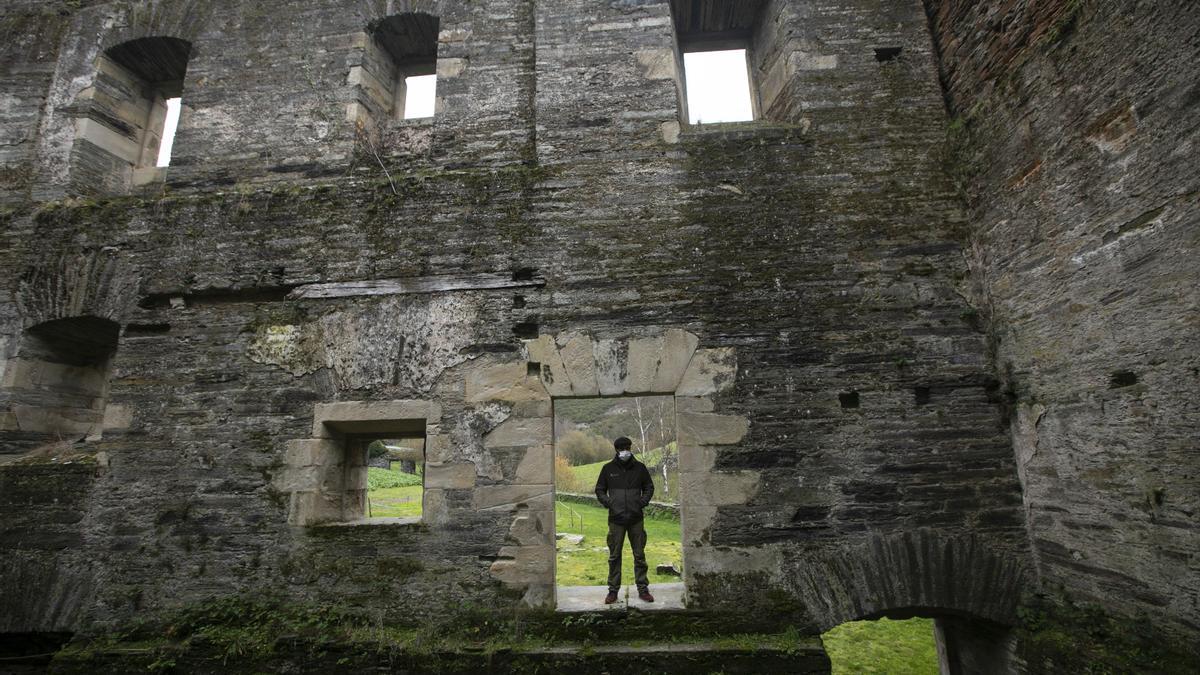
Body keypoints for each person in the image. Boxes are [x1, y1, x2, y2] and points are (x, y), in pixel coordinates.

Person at [593, 436, 656, 604]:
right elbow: (599, 490)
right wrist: (609, 503)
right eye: (621, 449)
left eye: (626, 447)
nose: (624, 451)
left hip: (636, 519)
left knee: (640, 555)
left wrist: (642, 503)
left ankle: (643, 589)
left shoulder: (640, 468)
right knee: (614, 556)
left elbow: (649, 487)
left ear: (630, 448)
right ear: (616, 450)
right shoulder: (608, 469)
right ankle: (613, 591)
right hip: (616, 519)